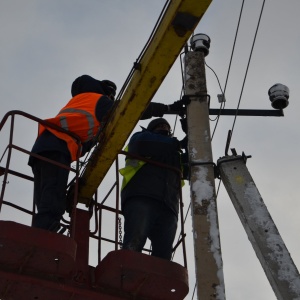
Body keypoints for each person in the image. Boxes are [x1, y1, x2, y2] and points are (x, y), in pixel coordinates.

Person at [29, 74, 185, 232]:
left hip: (42, 147)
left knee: (45, 194)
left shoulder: (81, 101)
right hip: (59, 145)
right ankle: (45, 231)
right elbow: (132, 108)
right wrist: (168, 108)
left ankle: (41, 229)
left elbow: (83, 134)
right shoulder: (98, 101)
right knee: (53, 192)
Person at [120, 117, 187, 260]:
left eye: (166, 126)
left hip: (169, 205)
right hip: (142, 196)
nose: (163, 126)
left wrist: (191, 135)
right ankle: (127, 269)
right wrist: (179, 143)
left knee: (163, 254)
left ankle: (159, 277)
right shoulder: (141, 137)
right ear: (151, 129)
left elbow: (195, 166)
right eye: (159, 125)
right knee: (134, 241)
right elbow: (143, 144)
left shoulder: (175, 153)